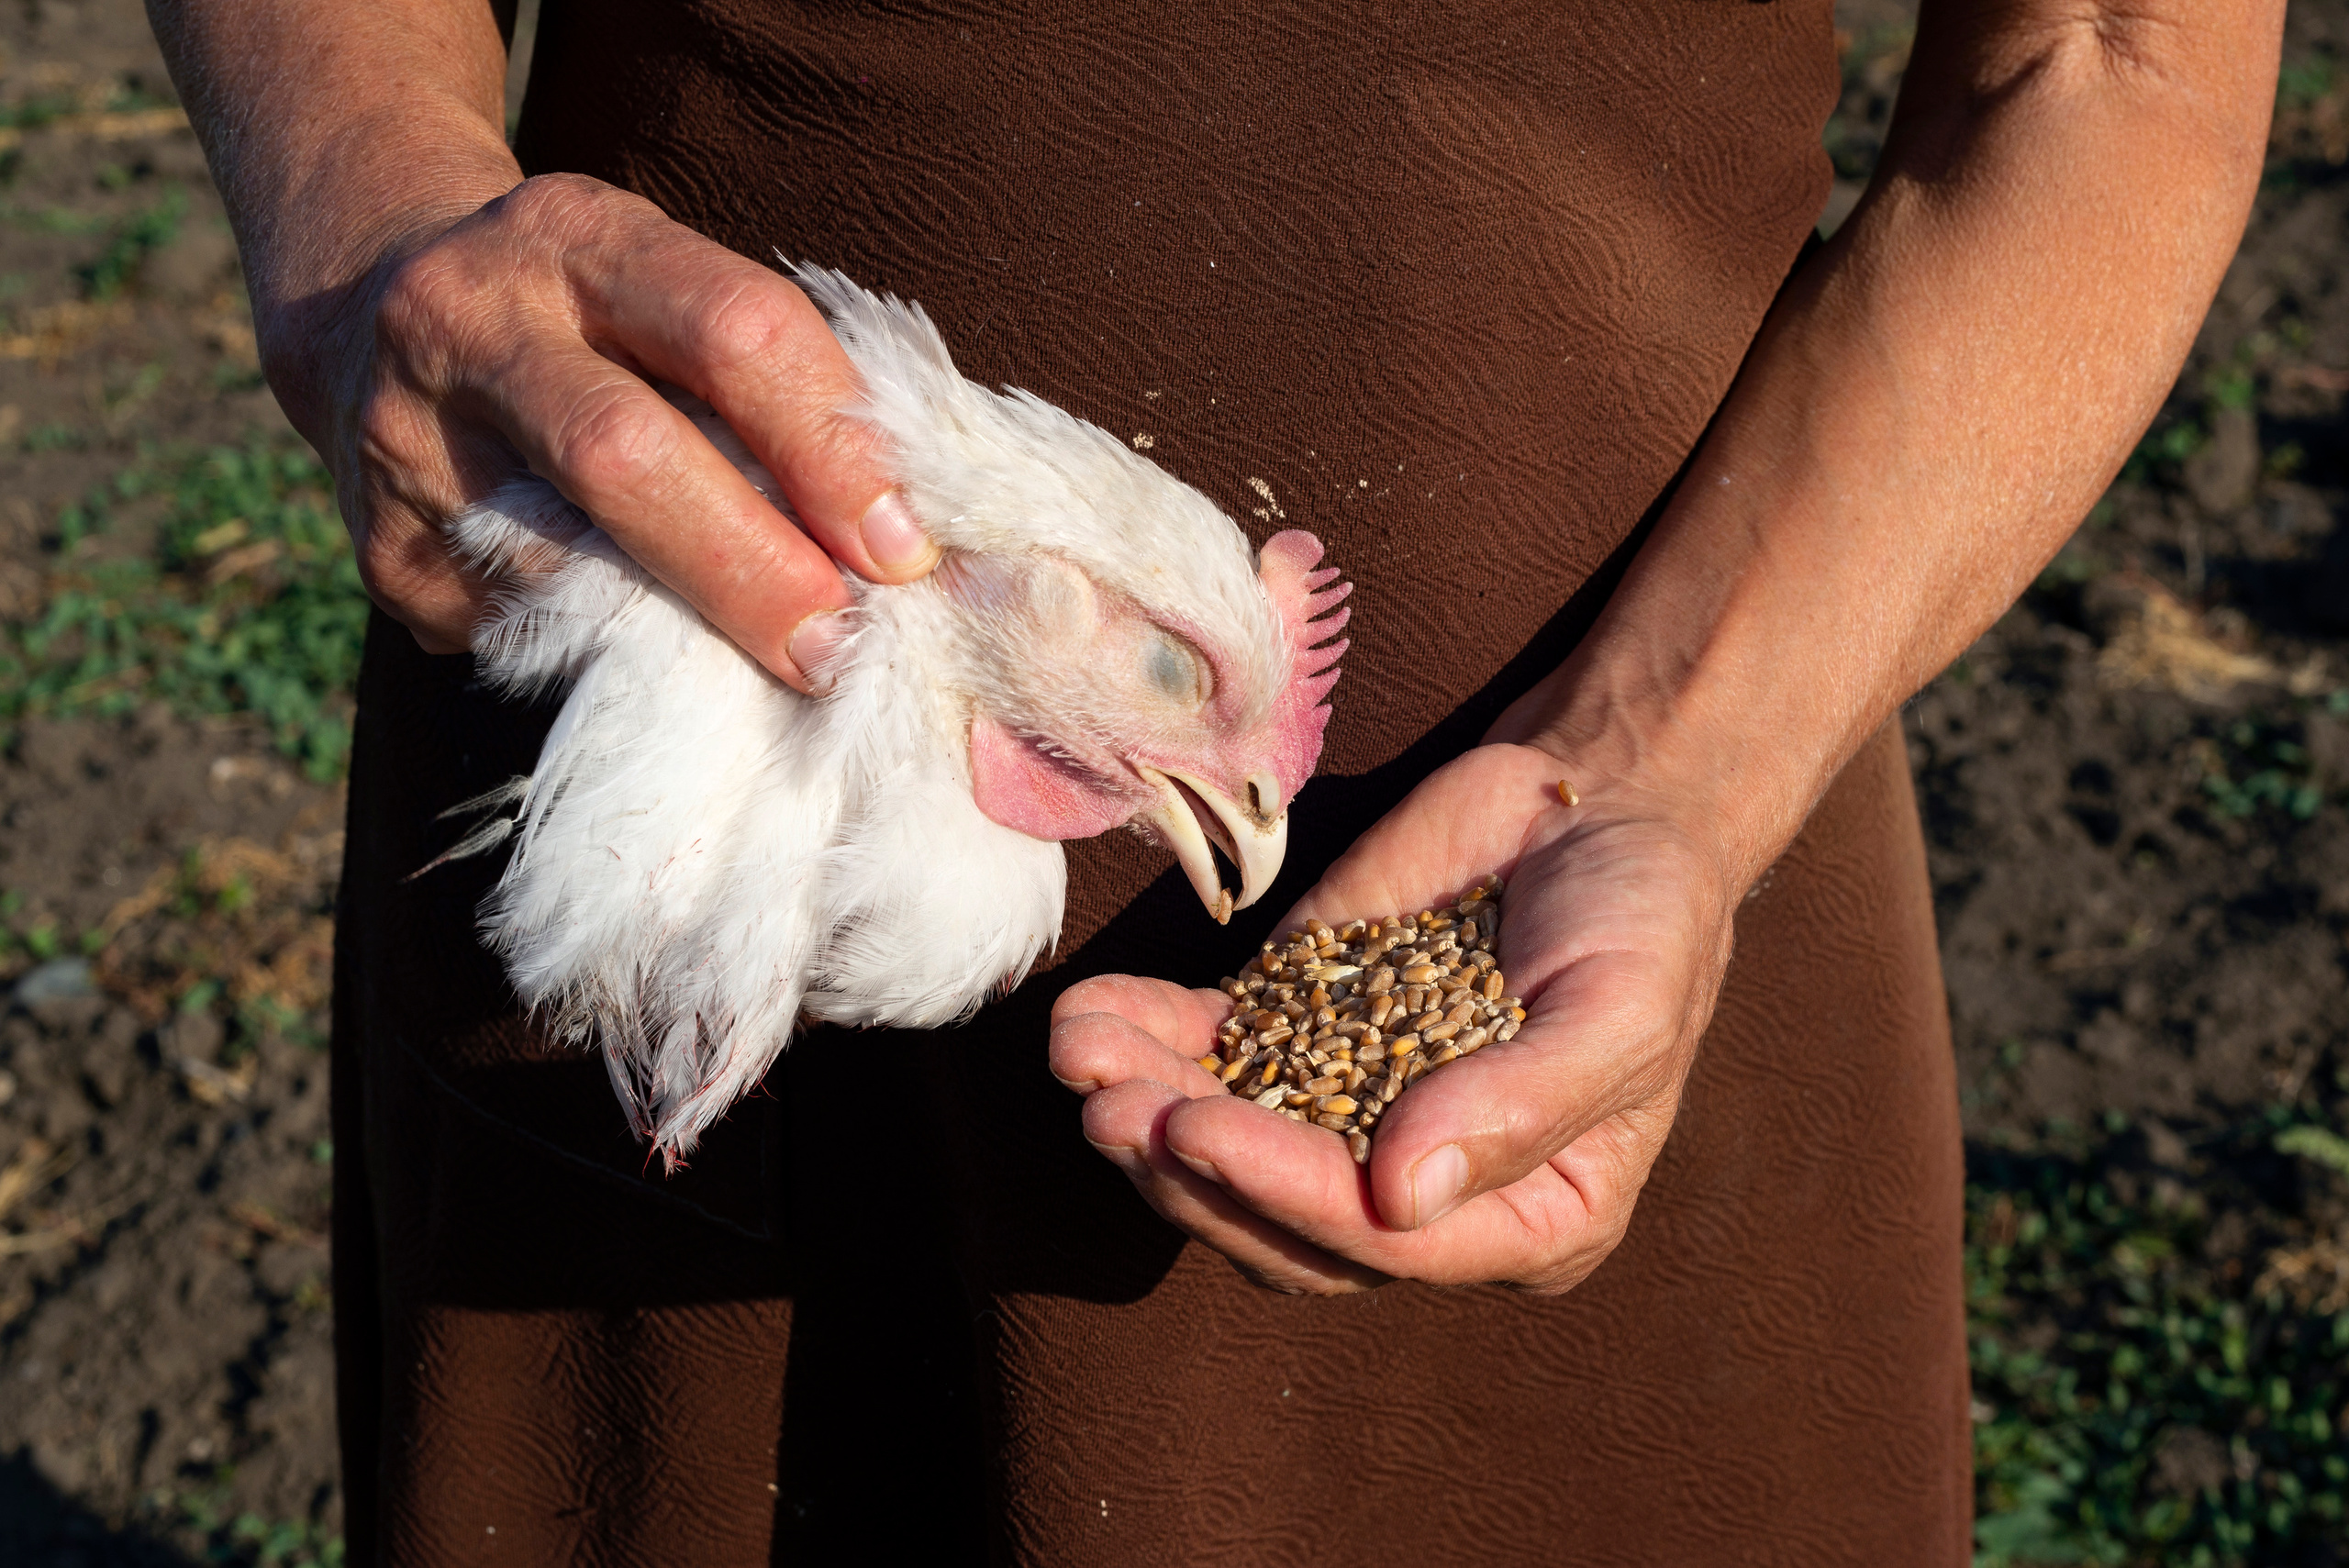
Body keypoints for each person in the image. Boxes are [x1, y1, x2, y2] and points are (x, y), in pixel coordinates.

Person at [147, 0, 2282, 1561]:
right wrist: (372, 201)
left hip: (1630, 870)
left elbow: (2112, 51)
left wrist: (1666, 769)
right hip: (674, 809)